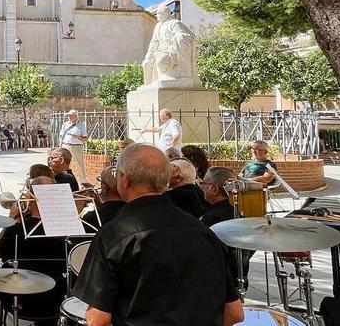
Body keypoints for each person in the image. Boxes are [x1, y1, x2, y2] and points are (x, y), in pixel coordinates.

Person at [73, 144, 244, 326]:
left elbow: (98, 320)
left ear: (125, 181)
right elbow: (234, 313)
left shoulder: (114, 235)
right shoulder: (205, 233)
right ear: (165, 181)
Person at [0, 176, 67, 325]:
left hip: (20, 298)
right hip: (54, 299)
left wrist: (12, 218)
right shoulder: (66, 230)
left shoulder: (17, 229)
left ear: (30, 197)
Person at [81, 166, 126, 232]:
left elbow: (76, 240)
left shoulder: (91, 218)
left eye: (100, 182)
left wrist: (78, 206)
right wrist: (99, 203)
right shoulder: (134, 211)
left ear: (105, 188)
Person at [59, 109, 87, 180]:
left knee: (79, 165)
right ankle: (65, 180)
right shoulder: (65, 124)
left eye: (71, 115)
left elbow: (85, 139)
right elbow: (61, 137)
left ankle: (83, 182)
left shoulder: (81, 125)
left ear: (76, 116)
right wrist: (60, 147)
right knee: (65, 164)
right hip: (65, 145)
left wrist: (77, 136)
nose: (69, 117)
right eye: (68, 115)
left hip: (76, 146)